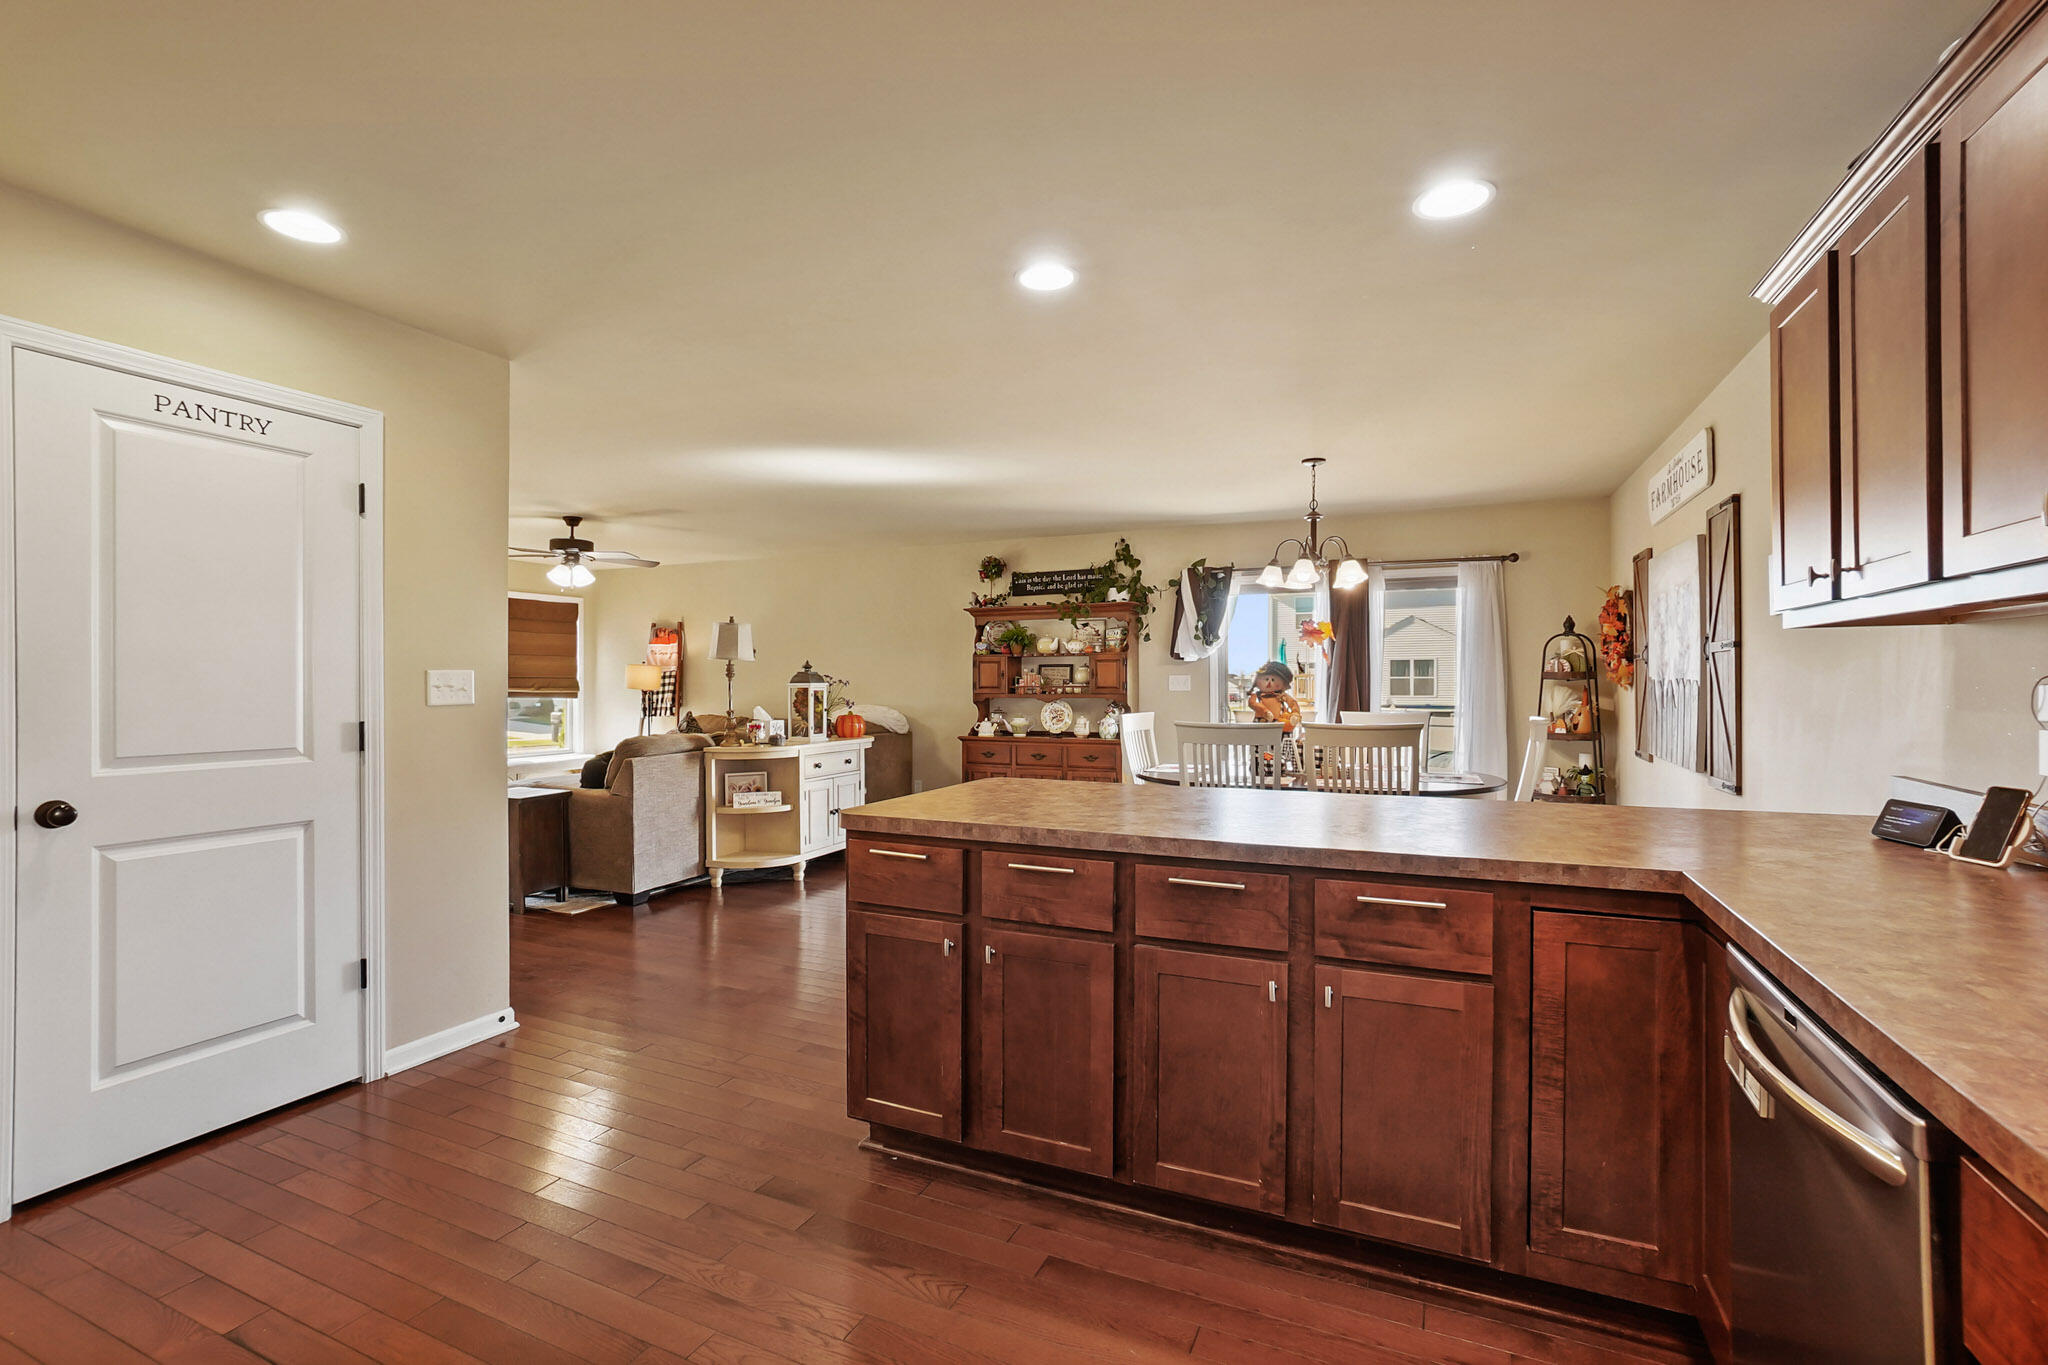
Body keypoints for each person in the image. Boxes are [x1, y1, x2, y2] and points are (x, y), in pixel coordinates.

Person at [1245, 660, 1302, 733]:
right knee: (1261, 740)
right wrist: (1264, 711)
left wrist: (1295, 714)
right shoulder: (1256, 695)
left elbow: (1293, 703)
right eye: (1266, 679)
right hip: (1261, 722)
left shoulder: (1282, 695)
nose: (1269, 683)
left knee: (1281, 740)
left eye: (1273, 680)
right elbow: (1252, 703)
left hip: (1280, 723)